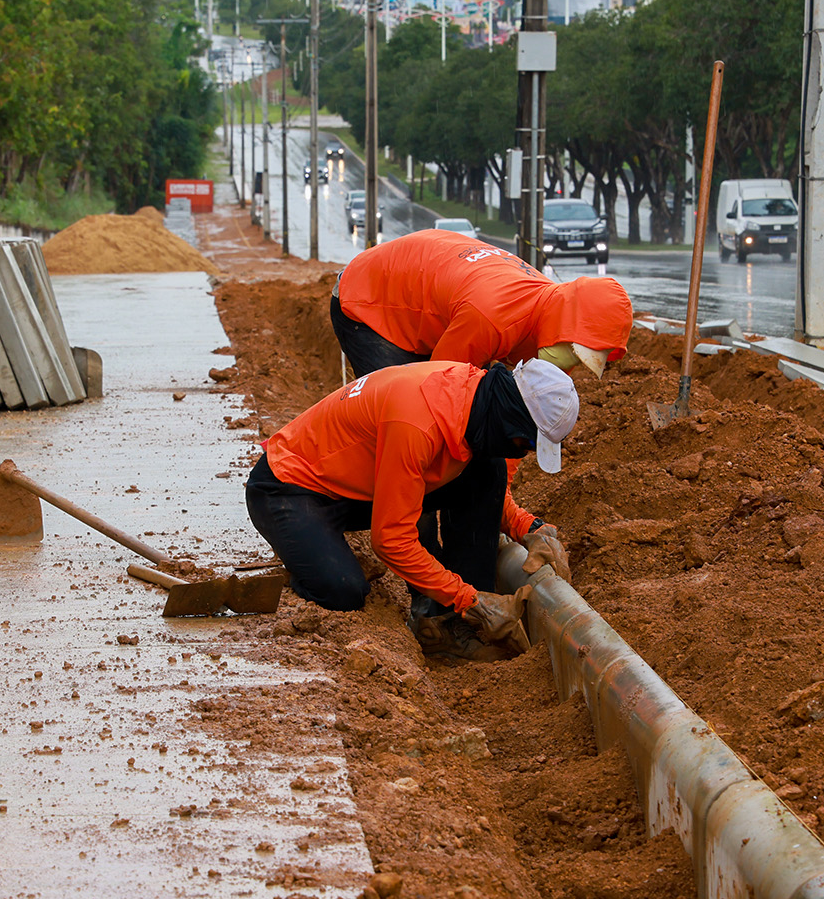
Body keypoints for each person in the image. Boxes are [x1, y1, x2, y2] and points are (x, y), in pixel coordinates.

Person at [246, 357, 579, 661]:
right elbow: (391, 540)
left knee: (486, 468)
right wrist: (469, 599)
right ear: (510, 419)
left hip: (359, 484)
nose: (521, 453)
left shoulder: (475, 397)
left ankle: (447, 627)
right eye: (526, 444)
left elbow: (482, 488)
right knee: (343, 590)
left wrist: (528, 527)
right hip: (290, 488)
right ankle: (306, 557)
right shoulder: (419, 422)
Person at [331, 227, 632, 380]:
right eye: (578, 353)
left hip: (430, 297)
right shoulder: (491, 317)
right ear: (570, 325)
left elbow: (518, 414)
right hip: (369, 299)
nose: (574, 364)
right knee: (400, 413)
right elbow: (436, 391)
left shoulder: (547, 311)